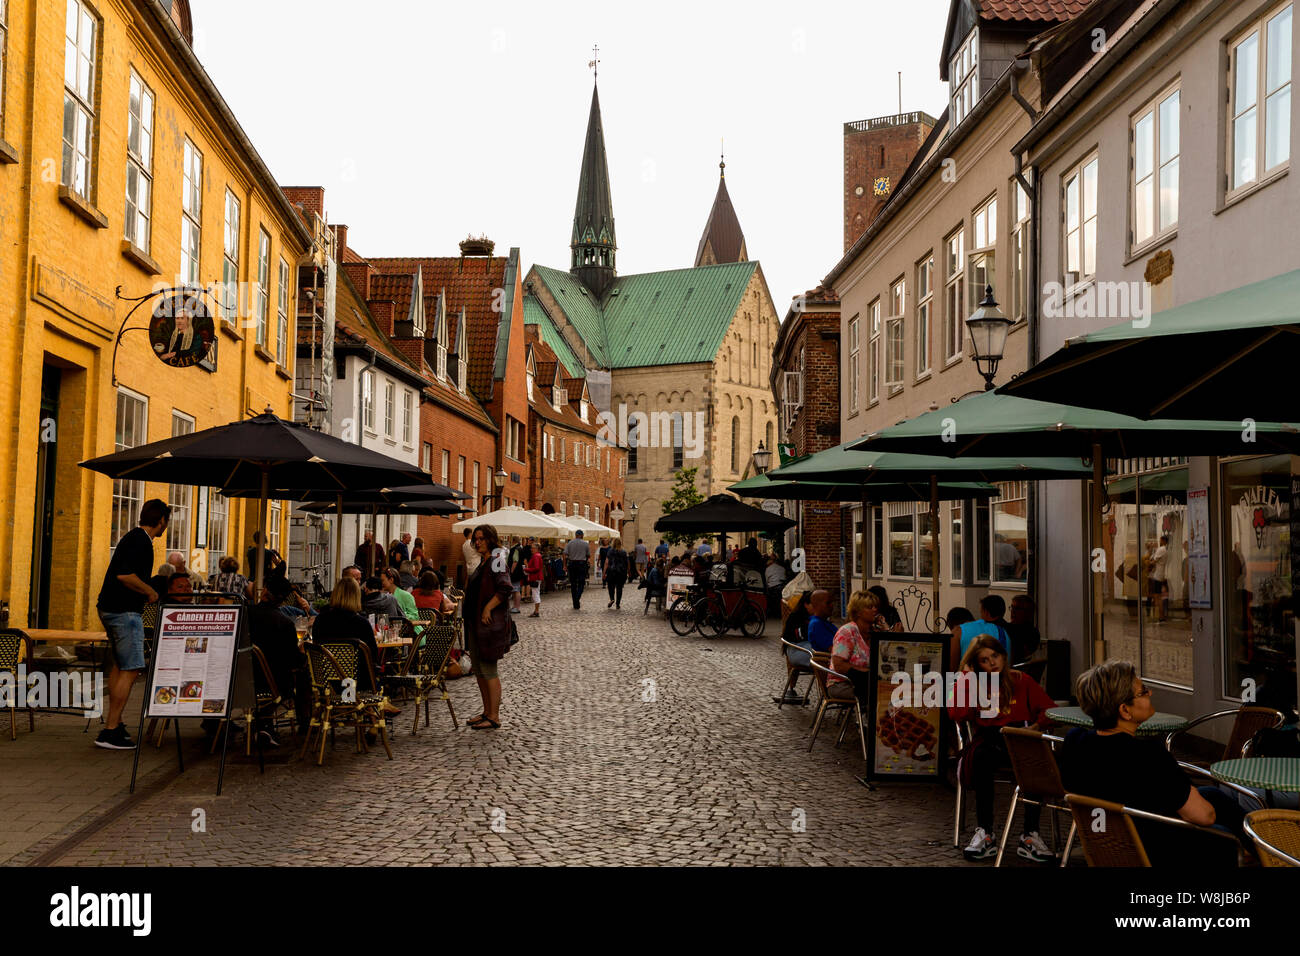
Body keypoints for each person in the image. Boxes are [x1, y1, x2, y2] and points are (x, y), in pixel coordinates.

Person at [1060, 660, 1246, 866]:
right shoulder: (1146, 753)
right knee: (1226, 838)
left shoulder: (1074, 741)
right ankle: (1269, 852)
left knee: (1213, 795)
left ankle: (1269, 849)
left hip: (1109, 841)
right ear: (1125, 710)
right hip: (1152, 849)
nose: (1150, 694)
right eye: (1143, 692)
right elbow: (1205, 816)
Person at [950, 635, 1057, 863]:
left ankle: (1030, 836)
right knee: (980, 758)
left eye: (995, 656)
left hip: (1020, 737)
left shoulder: (1021, 680)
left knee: (1036, 759)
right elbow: (957, 714)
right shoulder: (973, 683)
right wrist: (965, 679)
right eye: (984, 660)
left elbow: (1050, 710)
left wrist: (1036, 727)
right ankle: (985, 832)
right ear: (977, 664)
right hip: (989, 739)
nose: (992, 663)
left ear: (1003, 655)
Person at [95, 499, 170, 750]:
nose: (165, 527)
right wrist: (150, 591)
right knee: (132, 669)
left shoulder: (133, 537)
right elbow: (124, 575)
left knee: (121, 666)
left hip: (111, 608)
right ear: (161, 520)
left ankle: (114, 724)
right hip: (124, 612)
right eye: (165, 522)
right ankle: (110, 730)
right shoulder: (141, 541)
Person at [462, 525, 514, 730]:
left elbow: (505, 588)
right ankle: (486, 711)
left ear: (491, 539)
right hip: (475, 624)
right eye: (476, 539)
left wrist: (487, 609)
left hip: (489, 625)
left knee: (489, 669)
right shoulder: (485, 560)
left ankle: (494, 716)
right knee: (479, 669)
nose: (478, 542)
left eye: (482, 539)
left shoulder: (497, 558)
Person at [249, 581, 308, 744]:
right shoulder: (284, 623)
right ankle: (306, 723)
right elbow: (294, 660)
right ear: (282, 601)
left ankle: (262, 722)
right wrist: (303, 653)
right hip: (272, 684)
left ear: (264, 592)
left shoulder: (245, 614)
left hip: (241, 678)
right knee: (302, 674)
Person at [312, 577, 388, 701]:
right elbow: (372, 656)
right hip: (357, 682)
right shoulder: (361, 624)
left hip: (326, 682)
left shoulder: (320, 620)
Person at [827, 591, 880, 703]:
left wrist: (891, 633)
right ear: (858, 612)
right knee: (881, 693)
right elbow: (838, 665)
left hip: (867, 682)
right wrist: (866, 672)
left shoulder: (875, 632)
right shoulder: (847, 632)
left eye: (876, 606)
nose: (875, 610)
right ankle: (871, 719)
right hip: (842, 683)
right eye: (870, 607)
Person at [955, 594, 1014, 664]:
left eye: (981, 612)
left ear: (986, 612)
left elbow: (951, 667)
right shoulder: (1009, 631)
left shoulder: (964, 629)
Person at [1006, 595, 1042, 660]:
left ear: (1028, 612)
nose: (1012, 611)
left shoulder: (1031, 633)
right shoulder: (1006, 627)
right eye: (1012, 607)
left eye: (1017, 608)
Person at [806, 589, 838, 654]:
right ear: (817, 605)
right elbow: (836, 651)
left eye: (832, 602)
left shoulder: (822, 621)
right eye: (828, 603)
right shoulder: (816, 625)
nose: (832, 605)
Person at [565, 530, 590, 609]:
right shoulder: (585, 544)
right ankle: (577, 598)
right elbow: (588, 555)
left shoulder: (569, 543)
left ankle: (575, 602)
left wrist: (564, 565)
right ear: (582, 535)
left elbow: (565, 554)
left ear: (575, 535)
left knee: (573, 584)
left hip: (572, 564)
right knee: (581, 583)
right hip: (581, 564)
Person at [604, 537, 629, 610]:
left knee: (610, 586)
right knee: (619, 588)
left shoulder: (610, 551)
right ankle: (618, 603)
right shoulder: (624, 552)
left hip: (611, 572)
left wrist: (604, 573)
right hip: (621, 573)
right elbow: (627, 563)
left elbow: (606, 562)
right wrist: (628, 571)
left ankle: (612, 598)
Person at [1149, 534, 1170, 622]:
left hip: (1157, 575)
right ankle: (1160, 615)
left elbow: (1153, 561)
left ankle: (1160, 616)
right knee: (1158, 596)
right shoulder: (1165, 550)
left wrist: (1148, 563)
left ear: (1164, 541)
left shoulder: (1161, 549)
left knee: (1157, 597)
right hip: (1160, 574)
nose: (1159, 541)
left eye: (1160, 540)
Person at [526, 545, 545, 617]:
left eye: (533, 548)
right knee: (536, 593)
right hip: (537, 577)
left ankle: (536, 611)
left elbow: (536, 568)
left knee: (535, 594)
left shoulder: (536, 556)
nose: (531, 549)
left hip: (535, 577)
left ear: (537, 549)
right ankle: (536, 610)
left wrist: (526, 569)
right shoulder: (537, 555)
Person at [507, 536, 525, 614]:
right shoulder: (519, 548)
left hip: (515, 572)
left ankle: (516, 607)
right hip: (517, 572)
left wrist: (511, 571)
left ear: (513, 541)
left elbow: (515, 561)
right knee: (515, 590)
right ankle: (515, 606)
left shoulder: (516, 549)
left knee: (516, 590)